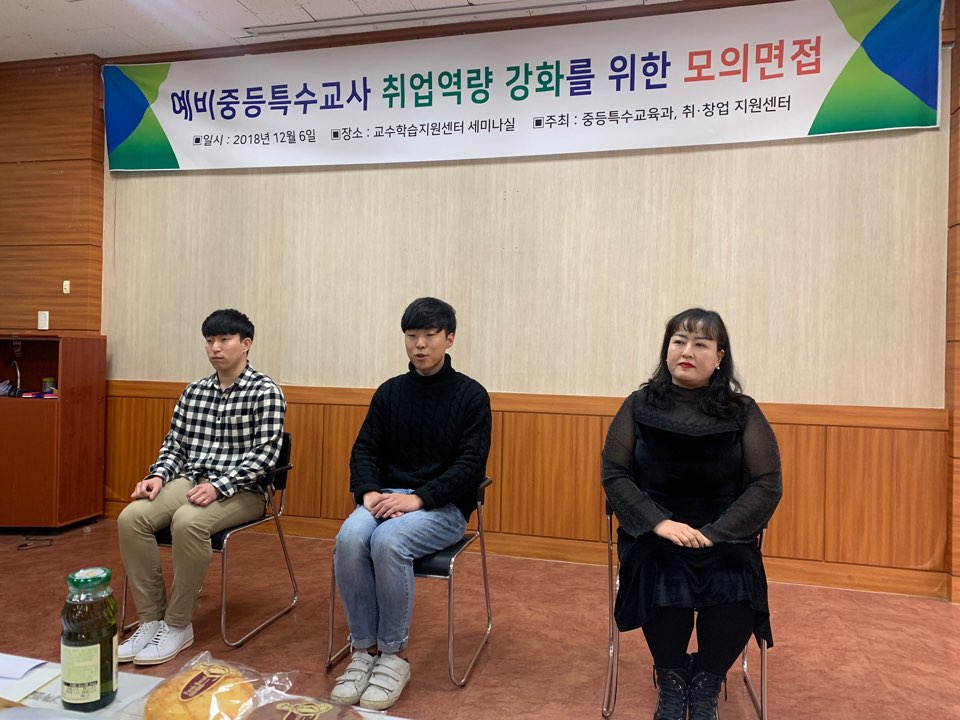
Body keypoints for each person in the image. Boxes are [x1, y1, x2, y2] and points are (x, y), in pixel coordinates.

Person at [601, 308, 782, 720]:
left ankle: (706, 681)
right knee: (657, 567)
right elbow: (614, 473)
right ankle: (672, 679)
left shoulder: (742, 411)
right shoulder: (638, 405)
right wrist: (659, 522)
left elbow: (767, 483)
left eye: (701, 344)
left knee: (737, 573)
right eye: (679, 341)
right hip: (654, 529)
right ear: (667, 350)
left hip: (724, 532)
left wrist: (716, 533)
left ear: (719, 357)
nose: (687, 351)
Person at [331, 297, 491, 711]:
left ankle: (392, 654)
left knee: (388, 542)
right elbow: (365, 450)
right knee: (349, 538)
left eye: (429, 335)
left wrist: (418, 499)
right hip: (386, 497)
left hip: (442, 507)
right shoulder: (390, 392)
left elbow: (470, 466)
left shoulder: (471, 395)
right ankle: (363, 648)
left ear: (449, 338)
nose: (419, 344)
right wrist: (368, 492)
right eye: (411, 335)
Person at [116, 308, 286, 666]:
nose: (215, 348)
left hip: (245, 490)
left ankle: (178, 624)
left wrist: (219, 487)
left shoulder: (265, 391)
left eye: (224, 340)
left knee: (188, 521)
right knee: (131, 518)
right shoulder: (194, 391)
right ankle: (151, 619)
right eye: (209, 341)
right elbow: (174, 446)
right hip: (191, 479)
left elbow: (265, 456)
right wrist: (158, 476)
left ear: (246, 344)